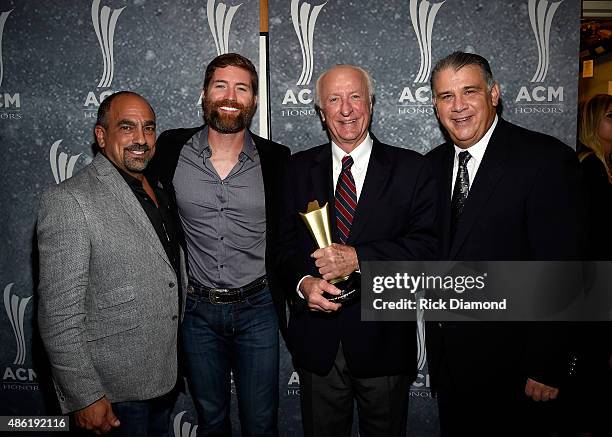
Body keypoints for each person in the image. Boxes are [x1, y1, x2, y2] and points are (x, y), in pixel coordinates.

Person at [425, 51, 584, 435]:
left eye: (469, 92)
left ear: (494, 94)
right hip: (451, 365)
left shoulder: (545, 160)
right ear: (434, 105)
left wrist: (547, 363)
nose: (458, 106)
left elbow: (563, 268)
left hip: (519, 369)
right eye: (446, 96)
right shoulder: (430, 166)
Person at [276, 64, 438, 437]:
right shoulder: (296, 169)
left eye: (355, 97)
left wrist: (360, 257)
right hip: (318, 345)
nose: (346, 109)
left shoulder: (412, 168)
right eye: (334, 99)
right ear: (321, 111)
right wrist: (303, 284)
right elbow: (281, 247)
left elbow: (427, 247)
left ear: (371, 103)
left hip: (384, 342)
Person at [146, 53, 290, 436]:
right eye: (220, 85)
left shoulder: (277, 160)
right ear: (204, 94)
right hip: (196, 312)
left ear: (254, 101)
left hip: (258, 310)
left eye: (242, 88)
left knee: (261, 424)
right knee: (211, 420)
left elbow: (292, 238)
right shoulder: (171, 149)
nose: (231, 96)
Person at [37, 91, 186, 436]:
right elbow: (58, 315)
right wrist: (84, 396)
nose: (140, 139)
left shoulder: (158, 187)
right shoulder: (69, 200)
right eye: (127, 127)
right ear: (101, 136)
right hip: (112, 392)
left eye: (148, 129)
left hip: (163, 378)